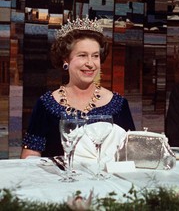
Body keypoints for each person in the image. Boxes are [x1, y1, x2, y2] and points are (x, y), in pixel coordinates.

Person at [21, 16, 135, 159]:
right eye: (82, 55)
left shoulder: (119, 104)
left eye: (95, 56)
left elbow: (131, 154)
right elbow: (31, 154)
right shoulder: (46, 104)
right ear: (66, 60)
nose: (90, 63)